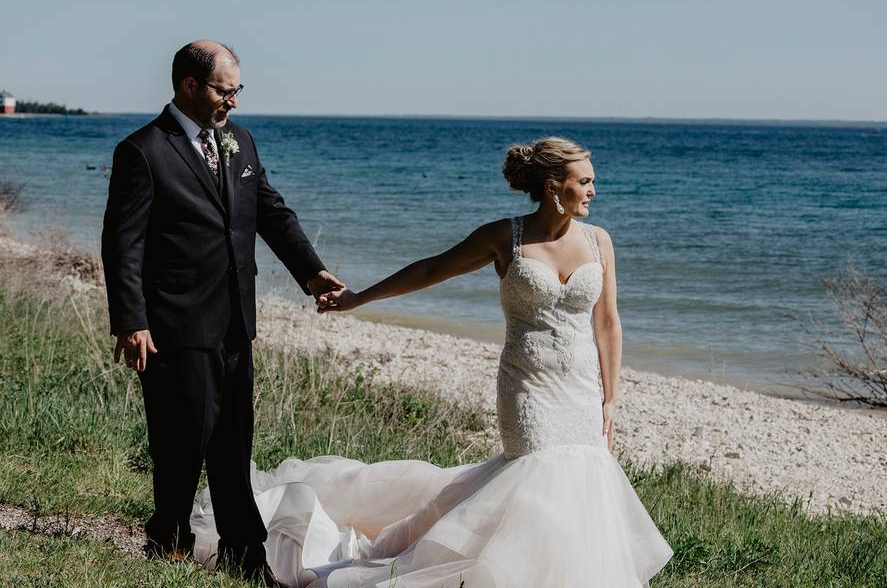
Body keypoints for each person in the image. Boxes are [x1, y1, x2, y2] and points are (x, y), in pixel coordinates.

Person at [191, 137, 673, 587]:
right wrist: (360, 298)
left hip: (582, 391)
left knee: (581, 482)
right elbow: (431, 269)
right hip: (529, 390)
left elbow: (608, 323)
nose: (594, 188)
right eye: (584, 181)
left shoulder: (599, 242)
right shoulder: (505, 237)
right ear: (552, 187)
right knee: (537, 477)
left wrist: (611, 399)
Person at [101, 40, 344, 584]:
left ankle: (243, 552)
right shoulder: (142, 151)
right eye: (223, 89)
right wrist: (131, 320)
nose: (232, 100)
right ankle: (168, 541)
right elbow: (123, 245)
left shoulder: (240, 142)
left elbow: (271, 212)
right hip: (173, 323)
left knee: (234, 440)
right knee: (181, 438)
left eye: (237, 89)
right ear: (189, 86)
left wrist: (311, 272)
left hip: (236, 319)